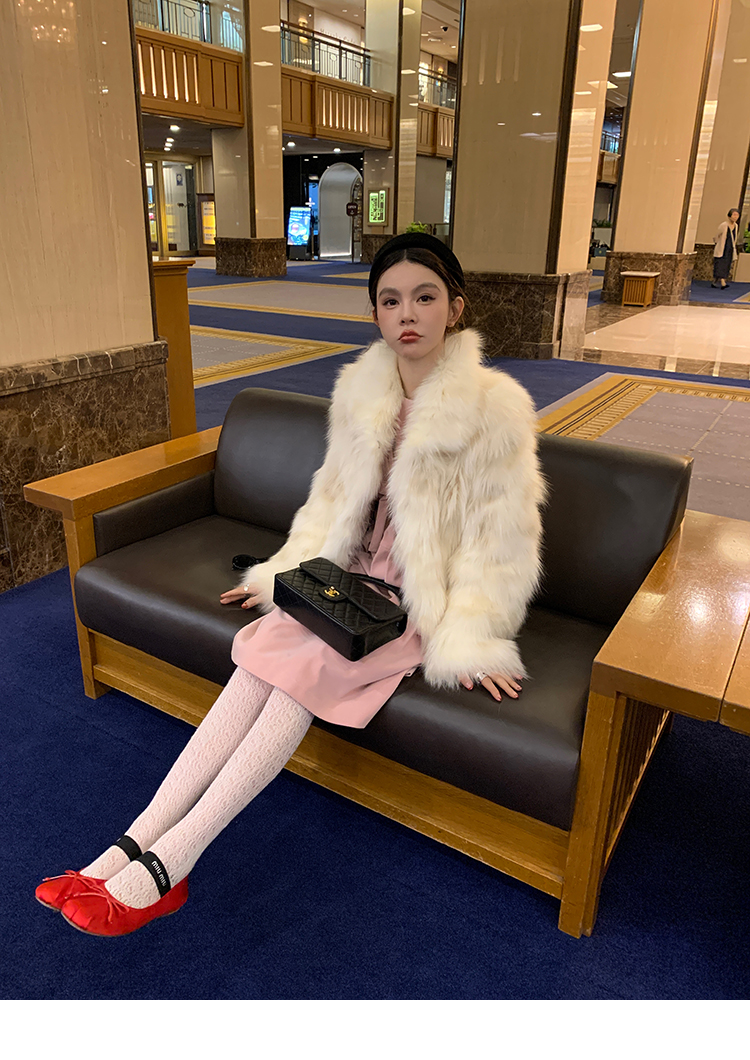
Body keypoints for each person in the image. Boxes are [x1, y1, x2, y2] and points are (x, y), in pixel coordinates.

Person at [35, 233, 546, 937]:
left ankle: (171, 863)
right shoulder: (362, 393)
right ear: (374, 312)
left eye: (425, 297)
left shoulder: (495, 408)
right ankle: (131, 844)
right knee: (259, 661)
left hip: (410, 600)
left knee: (297, 671)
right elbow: (330, 500)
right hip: (342, 582)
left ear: (455, 308)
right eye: (390, 300)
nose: (407, 314)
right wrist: (283, 575)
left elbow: (504, 537)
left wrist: (475, 637)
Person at [712, 208, 740, 288]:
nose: (735, 217)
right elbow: (717, 236)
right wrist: (717, 243)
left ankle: (716, 281)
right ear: (729, 216)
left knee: (727, 265)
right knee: (720, 264)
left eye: (737, 215)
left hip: (730, 249)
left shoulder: (736, 226)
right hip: (722, 248)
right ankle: (722, 282)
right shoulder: (724, 225)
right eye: (734, 215)